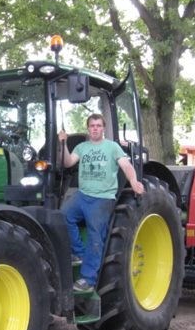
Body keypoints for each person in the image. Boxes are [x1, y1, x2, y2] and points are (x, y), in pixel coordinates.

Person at [59, 113, 144, 292]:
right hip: (83, 195)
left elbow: (127, 167)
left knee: (95, 235)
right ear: (88, 129)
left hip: (103, 197)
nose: (95, 128)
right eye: (92, 125)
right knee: (63, 215)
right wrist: (64, 143)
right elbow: (68, 163)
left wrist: (134, 181)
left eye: (98, 125)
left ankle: (88, 280)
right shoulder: (82, 147)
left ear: (103, 128)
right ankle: (79, 254)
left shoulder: (112, 147)